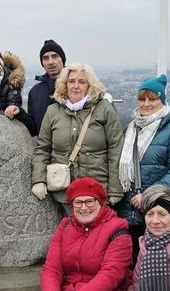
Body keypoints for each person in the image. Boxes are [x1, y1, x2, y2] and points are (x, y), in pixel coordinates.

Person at [30, 63, 125, 209]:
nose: (76, 86)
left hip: (98, 191)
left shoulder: (104, 109)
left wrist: (115, 189)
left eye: (82, 82)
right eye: (71, 81)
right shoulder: (53, 111)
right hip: (64, 192)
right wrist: (39, 180)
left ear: (90, 85)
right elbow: (42, 148)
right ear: (64, 84)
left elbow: (116, 149)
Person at [117, 74, 170, 260]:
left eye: (153, 99)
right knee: (130, 263)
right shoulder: (130, 129)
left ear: (162, 101)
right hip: (127, 210)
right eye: (142, 99)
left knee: (157, 262)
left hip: (157, 210)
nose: (147, 104)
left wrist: (150, 195)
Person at [26, 39, 66, 136]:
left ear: (62, 59)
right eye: (46, 58)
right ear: (42, 63)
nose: (50, 62)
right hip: (45, 149)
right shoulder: (34, 92)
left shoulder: (75, 87)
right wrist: (19, 113)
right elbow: (33, 129)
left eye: (55, 56)